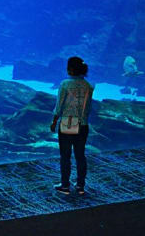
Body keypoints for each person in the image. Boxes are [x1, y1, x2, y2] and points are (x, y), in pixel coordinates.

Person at [50, 56, 94, 196]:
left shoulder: (65, 84)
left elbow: (59, 106)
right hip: (83, 124)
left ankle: (65, 185)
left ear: (70, 69)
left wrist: (54, 121)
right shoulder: (89, 86)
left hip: (68, 122)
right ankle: (80, 185)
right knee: (80, 155)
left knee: (65, 155)